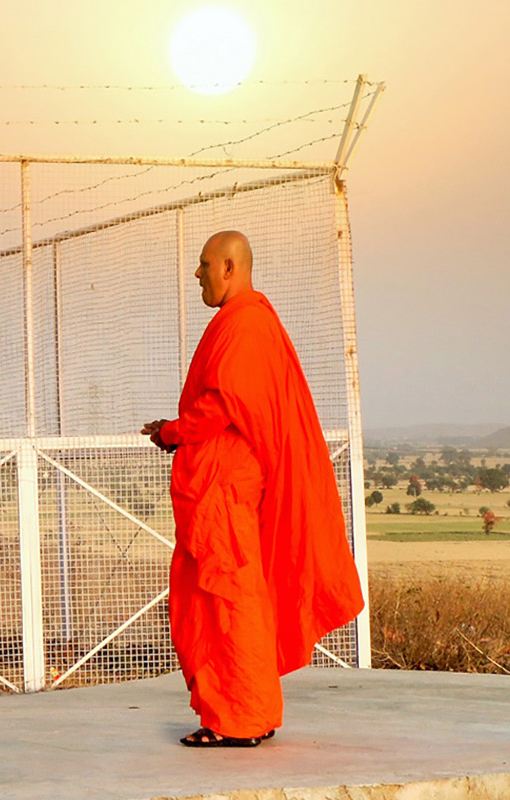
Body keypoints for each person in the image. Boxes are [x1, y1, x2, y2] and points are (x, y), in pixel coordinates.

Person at [141, 231, 364, 747]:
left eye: (202, 265)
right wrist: (176, 431)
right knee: (232, 596)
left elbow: (223, 405)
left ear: (227, 267)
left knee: (228, 599)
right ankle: (251, 712)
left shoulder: (244, 323)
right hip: (226, 485)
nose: (196, 275)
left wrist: (172, 432)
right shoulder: (251, 321)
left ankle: (239, 719)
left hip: (226, 489)